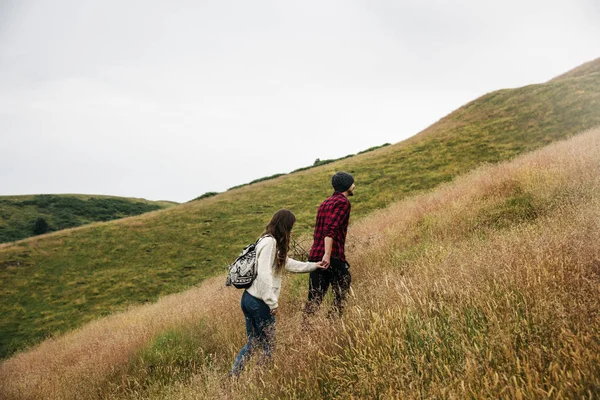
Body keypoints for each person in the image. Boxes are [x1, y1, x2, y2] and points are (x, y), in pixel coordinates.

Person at [230, 209, 326, 376]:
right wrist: (271, 301)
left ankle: (235, 377)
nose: (291, 230)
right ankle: (260, 379)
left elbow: (286, 263)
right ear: (285, 225)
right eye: (291, 226)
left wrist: (313, 265)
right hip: (259, 302)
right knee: (269, 345)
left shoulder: (267, 240)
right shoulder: (270, 243)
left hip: (249, 298)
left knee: (254, 342)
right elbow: (264, 272)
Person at [304, 171, 355, 319]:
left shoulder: (324, 203)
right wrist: (327, 254)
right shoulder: (343, 202)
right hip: (331, 256)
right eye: (352, 183)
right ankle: (332, 324)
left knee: (313, 300)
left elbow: (319, 231)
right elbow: (330, 229)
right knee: (342, 290)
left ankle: (305, 332)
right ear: (347, 186)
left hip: (315, 257)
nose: (354, 185)